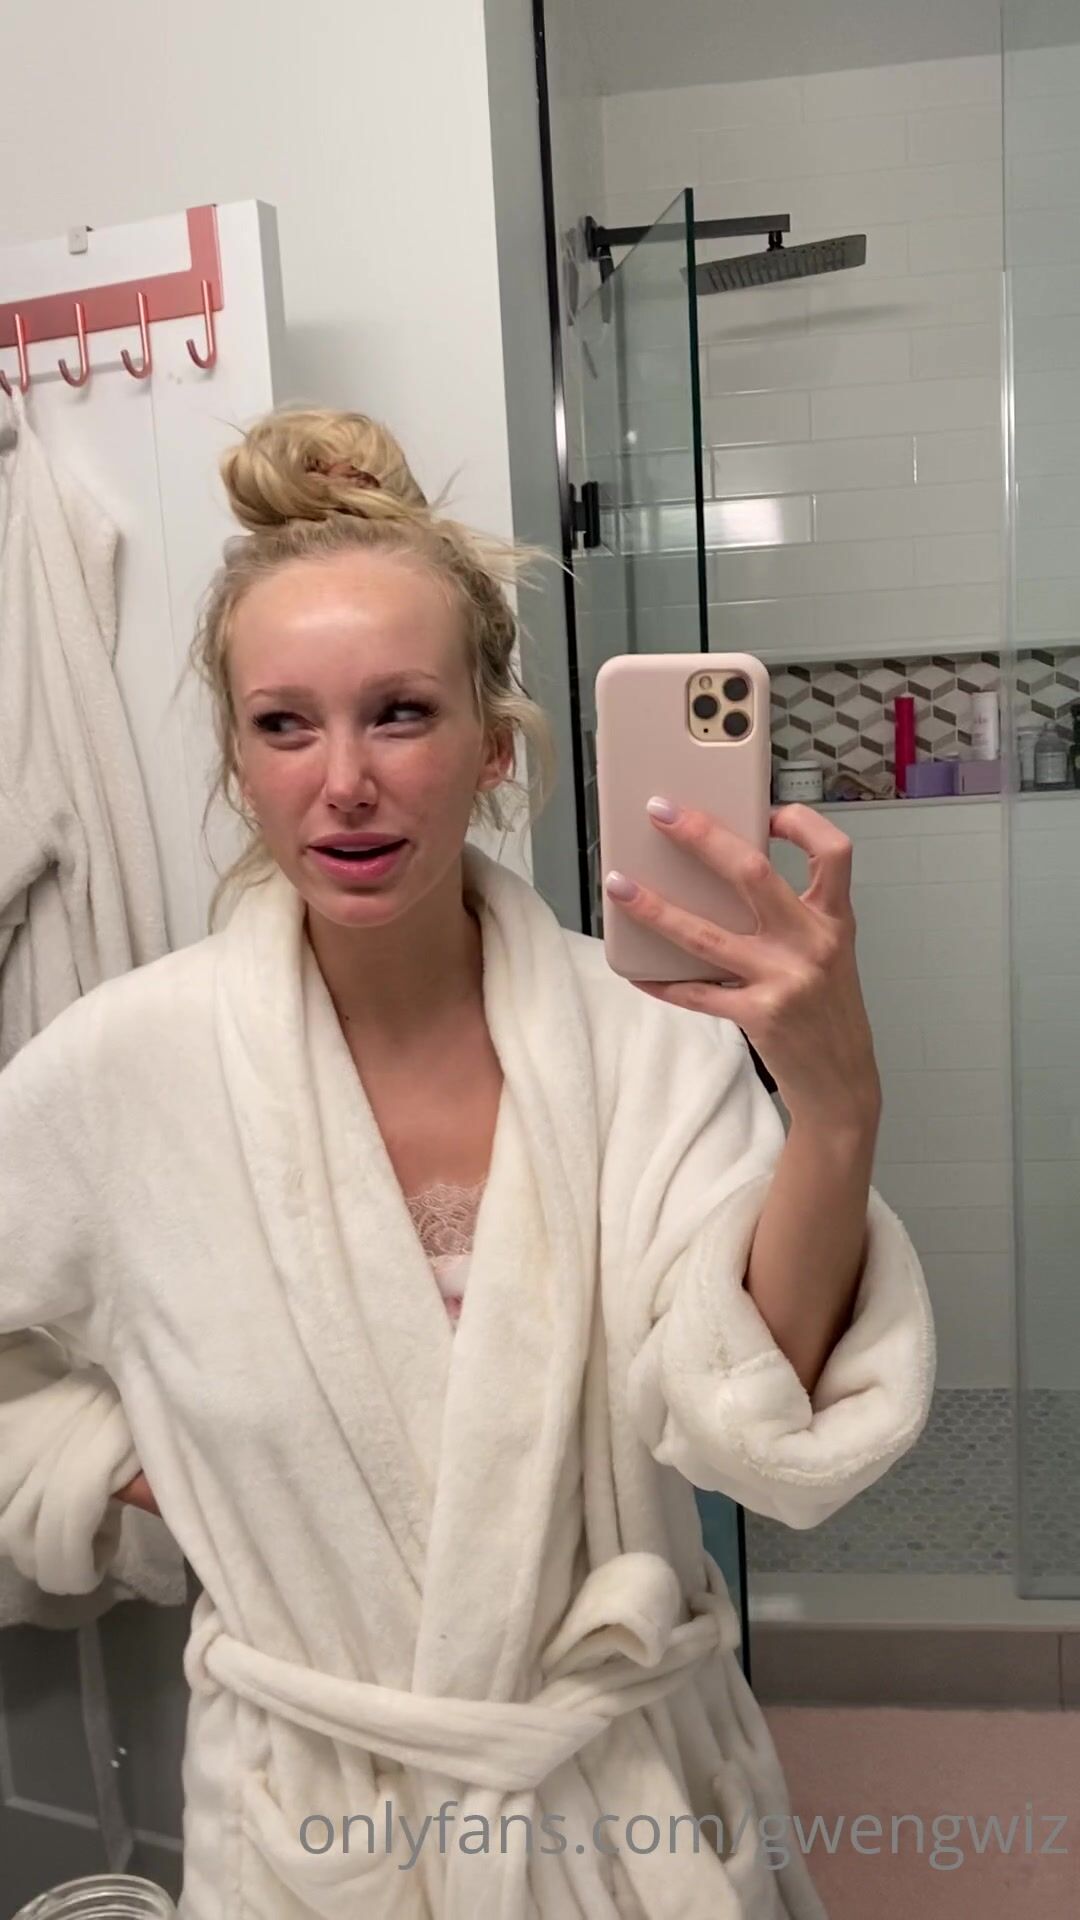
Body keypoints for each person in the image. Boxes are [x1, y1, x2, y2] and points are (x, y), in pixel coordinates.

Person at [0, 408, 935, 1919]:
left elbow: (754, 1429)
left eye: (401, 714)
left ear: (494, 745)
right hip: (320, 1830)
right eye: (284, 724)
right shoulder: (125, 1072)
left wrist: (836, 1103)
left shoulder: (645, 1043)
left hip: (625, 1807)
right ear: (235, 757)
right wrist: (118, 1461)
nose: (343, 781)